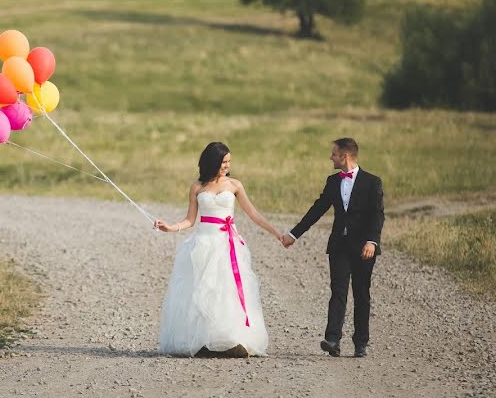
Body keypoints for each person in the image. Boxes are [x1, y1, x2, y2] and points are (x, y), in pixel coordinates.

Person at [154, 141, 283, 357]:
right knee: (201, 291)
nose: (227, 166)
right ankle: (203, 340)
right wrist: (169, 227)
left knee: (225, 291)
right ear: (212, 162)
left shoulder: (234, 185)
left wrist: (276, 233)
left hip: (226, 244)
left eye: (229, 162)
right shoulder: (197, 187)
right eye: (224, 162)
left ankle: (231, 339)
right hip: (203, 243)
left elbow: (253, 214)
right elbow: (189, 220)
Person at [280, 138, 384, 358]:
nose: (331, 157)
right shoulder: (332, 181)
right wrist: (293, 234)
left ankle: (360, 343)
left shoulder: (372, 182)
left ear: (345, 156)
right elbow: (317, 210)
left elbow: (378, 215)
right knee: (338, 292)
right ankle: (333, 339)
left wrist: (372, 241)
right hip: (339, 246)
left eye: (334, 154)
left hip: (364, 247)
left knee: (361, 294)